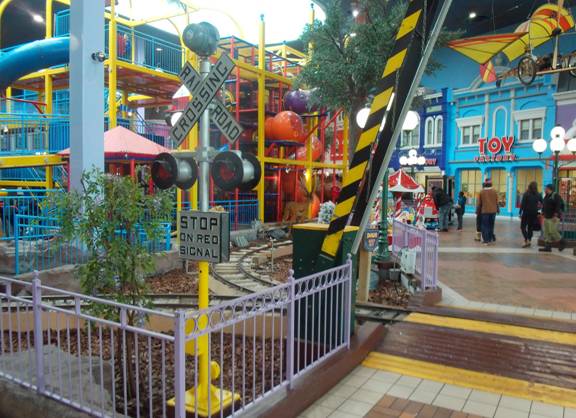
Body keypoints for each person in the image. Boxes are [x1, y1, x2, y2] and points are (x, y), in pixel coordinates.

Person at [539, 184, 566, 252]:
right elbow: (544, 205)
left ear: (549, 189)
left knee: (552, 231)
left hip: (554, 217)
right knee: (546, 232)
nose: (544, 189)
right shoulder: (546, 196)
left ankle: (562, 242)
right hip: (546, 217)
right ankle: (547, 247)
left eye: (545, 188)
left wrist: (555, 215)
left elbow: (558, 205)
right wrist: (542, 213)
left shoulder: (556, 195)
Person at [519, 181, 542, 248]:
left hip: (526, 213)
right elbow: (542, 202)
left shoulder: (526, 194)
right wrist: (539, 209)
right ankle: (529, 240)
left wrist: (520, 212)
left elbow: (523, 204)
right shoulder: (538, 194)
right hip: (534, 213)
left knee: (522, 227)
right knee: (530, 227)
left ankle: (527, 239)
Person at [477, 179, 499, 245]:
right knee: (491, 225)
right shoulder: (495, 191)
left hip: (485, 211)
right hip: (493, 211)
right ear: (491, 185)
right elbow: (497, 201)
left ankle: (486, 240)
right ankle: (490, 239)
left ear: (485, 185)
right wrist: (498, 209)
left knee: (484, 226)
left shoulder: (481, 192)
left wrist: (477, 211)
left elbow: (479, 203)